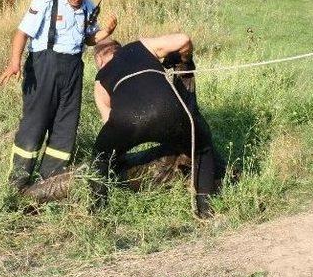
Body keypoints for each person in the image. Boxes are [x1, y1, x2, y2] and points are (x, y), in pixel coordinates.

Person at [0, 0, 117, 190]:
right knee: (35, 122)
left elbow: (90, 40)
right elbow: (22, 32)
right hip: (44, 66)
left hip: (73, 68)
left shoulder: (88, 6)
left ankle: (50, 182)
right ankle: (17, 183)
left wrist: (107, 32)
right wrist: (15, 62)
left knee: (66, 124)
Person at [91, 34, 225, 218]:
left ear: (99, 61)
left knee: (100, 157)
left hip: (126, 122)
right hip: (167, 110)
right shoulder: (140, 46)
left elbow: (108, 122)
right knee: (202, 148)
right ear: (119, 48)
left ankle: (98, 213)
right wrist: (185, 57)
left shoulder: (99, 82)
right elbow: (183, 40)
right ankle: (205, 210)